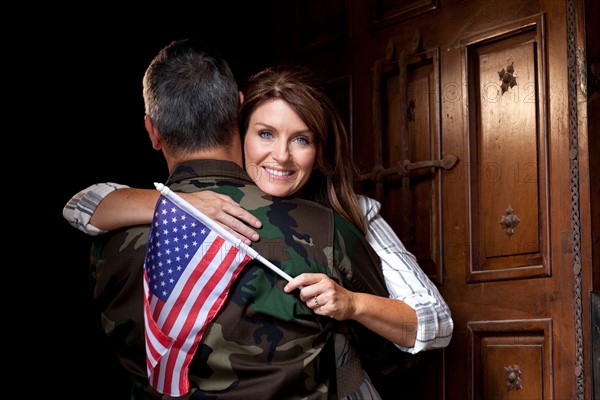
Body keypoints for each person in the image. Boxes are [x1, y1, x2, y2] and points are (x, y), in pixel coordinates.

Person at [74, 38, 412, 399]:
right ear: (238, 108)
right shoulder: (324, 229)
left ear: (152, 130)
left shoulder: (107, 241)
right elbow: (387, 353)